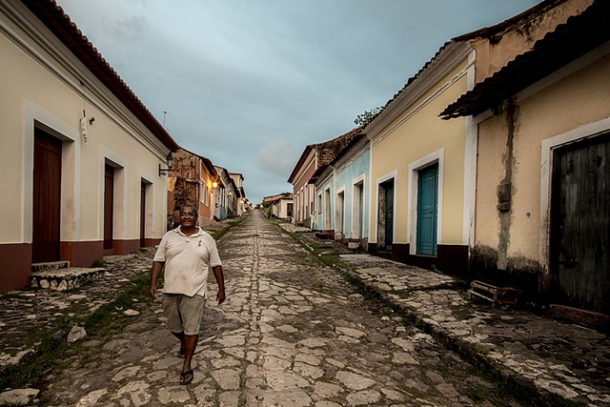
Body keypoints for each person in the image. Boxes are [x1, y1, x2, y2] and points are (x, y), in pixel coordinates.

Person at [149, 205, 226, 385]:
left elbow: (216, 265)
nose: (186, 217)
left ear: (196, 217)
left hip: (195, 291)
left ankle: (187, 364)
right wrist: (153, 283)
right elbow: (158, 260)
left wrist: (222, 289)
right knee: (173, 326)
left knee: (192, 328)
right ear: (179, 217)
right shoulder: (169, 237)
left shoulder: (207, 239)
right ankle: (185, 343)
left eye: (190, 214)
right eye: (183, 214)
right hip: (171, 289)